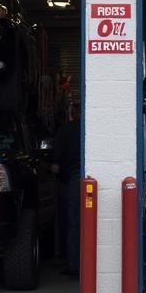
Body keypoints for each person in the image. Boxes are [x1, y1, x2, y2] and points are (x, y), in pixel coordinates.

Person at [51, 95, 81, 276]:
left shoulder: (66, 130)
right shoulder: (97, 128)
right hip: (98, 179)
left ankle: (74, 265)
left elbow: (55, 162)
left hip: (73, 180)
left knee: (73, 223)